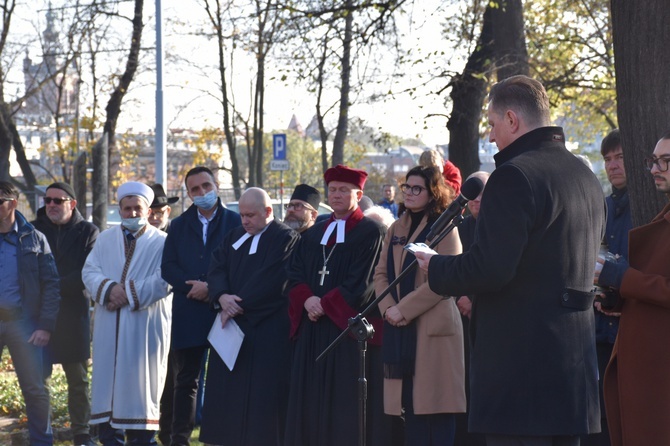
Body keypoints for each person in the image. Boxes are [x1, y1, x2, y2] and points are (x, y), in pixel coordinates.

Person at [415, 75, 605, 446]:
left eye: (492, 123)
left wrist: (434, 266)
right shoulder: (584, 174)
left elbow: (492, 268)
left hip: (522, 376)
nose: (489, 136)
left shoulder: (513, 176)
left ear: (512, 120)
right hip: (574, 373)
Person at [285, 164, 390, 446]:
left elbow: (363, 282)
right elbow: (294, 274)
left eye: (344, 190)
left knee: (342, 404)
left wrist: (325, 305)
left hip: (344, 332)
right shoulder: (312, 234)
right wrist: (307, 300)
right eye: (333, 190)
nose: (337, 195)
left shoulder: (372, 232)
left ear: (358, 193)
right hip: (313, 330)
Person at [199, 188, 299, 445]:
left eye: (251, 215)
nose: (244, 221)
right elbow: (216, 267)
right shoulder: (235, 236)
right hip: (230, 328)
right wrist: (221, 296)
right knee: (228, 398)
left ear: (268, 212)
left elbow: (274, 278)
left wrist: (236, 304)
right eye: (242, 215)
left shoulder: (285, 238)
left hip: (265, 332)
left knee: (261, 404)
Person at [373, 165, 465, 446]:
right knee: (410, 411)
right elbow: (380, 274)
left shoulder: (445, 226)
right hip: (399, 327)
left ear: (432, 191)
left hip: (433, 330)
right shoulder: (395, 227)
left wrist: (405, 309)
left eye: (417, 188)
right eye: (407, 187)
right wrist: (389, 308)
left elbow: (446, 278)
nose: (410, 193)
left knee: (436, 410)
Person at [82, 181, 171, 446]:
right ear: (119, 209)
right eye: (127, 208)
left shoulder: (163, 242)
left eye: (137, 208)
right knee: (108, 406)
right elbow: (88, 271)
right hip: (109, 328)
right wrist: (109, 290)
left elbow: (165, 279)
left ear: (147, 209)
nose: (132, 213)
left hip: (144, 329)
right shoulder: (105, 238)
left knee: (141, 398)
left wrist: (128, 294)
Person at [596, 131, 670, 445]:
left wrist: (624, 278)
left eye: (665, 161)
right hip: (646, 372)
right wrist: (620, 298)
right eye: (653, 161)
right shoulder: (662, 214)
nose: (655, 169)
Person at [160, 166, 241, 446]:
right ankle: (179, 438)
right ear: (188, 193)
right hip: (189, 310)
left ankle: (223, 437)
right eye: (195, 189)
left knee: (225, 380)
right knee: (186, 381)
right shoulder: (179, 225)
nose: (202, 193)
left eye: (206, 186)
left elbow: (240, 264)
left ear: (216, 185)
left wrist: (213, 289)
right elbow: (168, 266)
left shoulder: (235, 221)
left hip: (223, 312)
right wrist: (191, 285)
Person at [32, 182, 99, 446]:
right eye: (47, 200)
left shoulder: (88, 231)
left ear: (72, 203)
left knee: (79, 381)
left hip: (73, 316)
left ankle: (81, 434)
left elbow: (88, 271)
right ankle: (42, 433)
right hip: (39, 317)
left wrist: (51, 286)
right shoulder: (32, 229)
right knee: (39, 381)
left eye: (57, 201)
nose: (50, 205)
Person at [0, 181, 60, 446]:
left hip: (24, 324)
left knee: (35, 389)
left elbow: (51, 284)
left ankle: (41, 442)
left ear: (12, 204)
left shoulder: (34, 238)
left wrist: (45, 325)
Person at [582, 129, 630, 446]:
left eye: (619, 157)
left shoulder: (647, 204)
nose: (612, 165)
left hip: (630, 332)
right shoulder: (603, 207)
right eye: (607, 159)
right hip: (599, 332)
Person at [454, 171, 489, 446]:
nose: (477, 199)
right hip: (457, 318)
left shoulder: (499, 227)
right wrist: (460, 297)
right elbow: (451, 265)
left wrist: (473, 299)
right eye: (472, 194)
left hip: (488, 318)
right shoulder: (459, 227)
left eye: (483, 193)